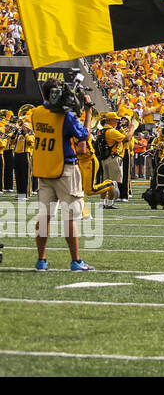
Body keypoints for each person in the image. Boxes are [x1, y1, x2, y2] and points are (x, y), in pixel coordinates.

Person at [31, 82, 93, 272]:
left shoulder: (36, 113)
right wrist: (88, 111)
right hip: (65, 169)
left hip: (44, 168)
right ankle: (76, 261)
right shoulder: (65, 116)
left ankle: (41, 260)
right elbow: (84, 135)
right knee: (70, 218)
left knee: (44, 217)